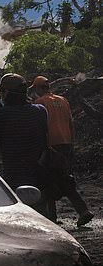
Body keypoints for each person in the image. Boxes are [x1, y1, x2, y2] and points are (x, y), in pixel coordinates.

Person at [30, 75, 94, 226]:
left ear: (39, 89)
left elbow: (41, 127)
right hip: (66, 144)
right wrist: (72, 144)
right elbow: (71, 123)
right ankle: (80, 211)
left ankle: (54, 218)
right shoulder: (63, 100)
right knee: (64, 177)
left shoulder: (40, 103)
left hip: (51, 146)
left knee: (47, 181)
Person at [0, 73, 50, 216]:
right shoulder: (40, 111)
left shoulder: (0, 116)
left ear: (6, 93)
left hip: (13, 180)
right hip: (39, 177)